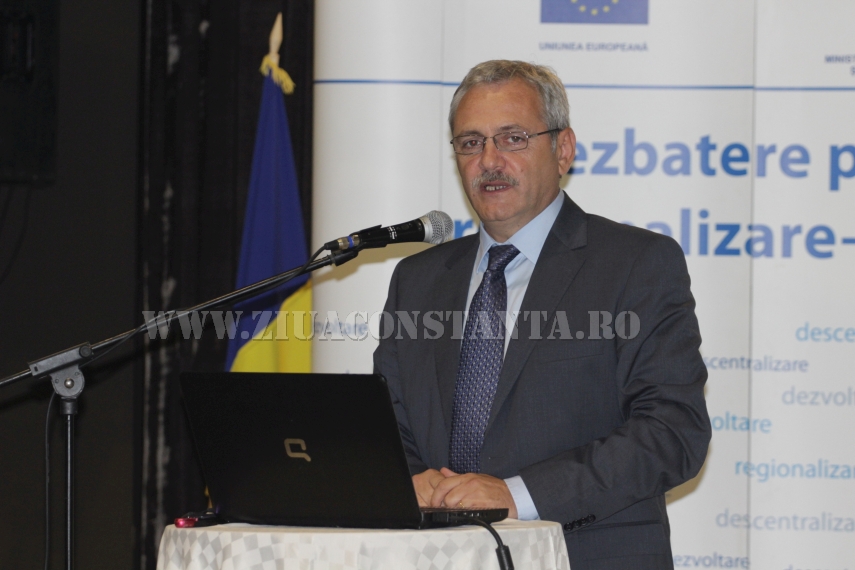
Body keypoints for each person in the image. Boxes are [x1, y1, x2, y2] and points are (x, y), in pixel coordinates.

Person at [372, 60, 710, 569]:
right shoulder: (416, 280)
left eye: (513, 138)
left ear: (563, 149)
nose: (489, 160)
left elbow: (673, 431)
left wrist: (517, 495)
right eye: (470, 142)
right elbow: (389, 428)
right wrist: (408, 481)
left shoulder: (635, 264)